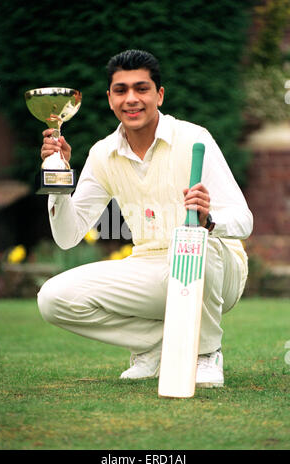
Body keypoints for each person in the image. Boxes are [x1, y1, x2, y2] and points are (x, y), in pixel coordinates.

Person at [37, 49, 253, 388]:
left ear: (159, 95)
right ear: (110, 99)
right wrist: (59, 178)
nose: (132, 99)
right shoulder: (102, 153)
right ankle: (155, 344)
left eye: (142, 88)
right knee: (53, 298)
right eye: (121, 90)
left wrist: (210, 220)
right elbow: (67, 236)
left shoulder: (194, 137)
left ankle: (205, 353)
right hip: (151, 266)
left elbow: (244, 220)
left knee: (196, 238)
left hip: (220, 268)